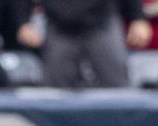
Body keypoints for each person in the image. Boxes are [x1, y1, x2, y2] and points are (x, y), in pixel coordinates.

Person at [15, 0, 153, 87]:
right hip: (59, 25)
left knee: (116, 85)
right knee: (55, 91)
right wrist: (23, 22)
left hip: (102, 22)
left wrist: (138, 17)